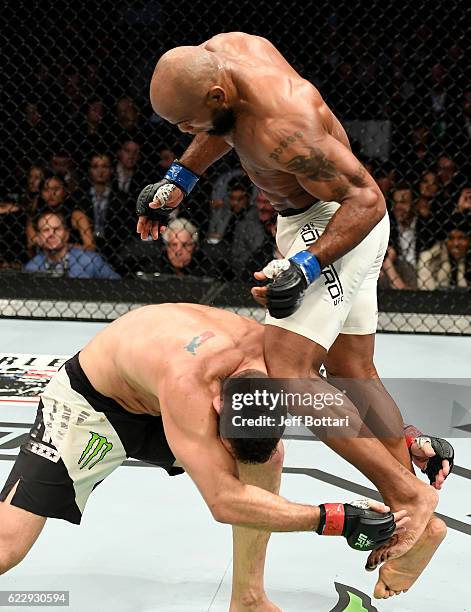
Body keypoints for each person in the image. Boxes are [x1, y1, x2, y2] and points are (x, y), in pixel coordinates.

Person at [135, 32, 452, 598]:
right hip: (313, 216)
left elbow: (368, 201)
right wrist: (178, 180)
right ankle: (424, 519)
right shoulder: (228, 54)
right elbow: (218, 126)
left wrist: (304, 264)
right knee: (354, 372)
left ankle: (410, 499)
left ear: (212, 91)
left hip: (336, 222)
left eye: (187, 124)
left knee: (288, 373)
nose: (186, 135)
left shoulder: (283, 128)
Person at [0, 304, 406, 610]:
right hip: (91, 407)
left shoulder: (283, 361)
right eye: (226, 441)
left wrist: (412, 440)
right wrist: (334, 518)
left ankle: (248, 598)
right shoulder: (189, 382)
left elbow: (350, 397)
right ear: (217, 405)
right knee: (8, 547)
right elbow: (223, 501)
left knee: (267, 459)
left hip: (154, 399)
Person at [24, 212, 120, 279]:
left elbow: (117, 283)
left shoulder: (89, 260)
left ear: (66, 235)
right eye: (45, 230)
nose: (51, 234)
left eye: (56, 229)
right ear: (39, 237)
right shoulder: (32, 268)